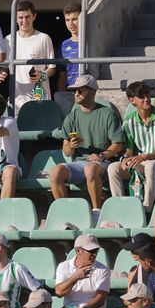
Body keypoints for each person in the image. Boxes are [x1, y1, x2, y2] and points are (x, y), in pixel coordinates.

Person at [50, 74, 126, 208]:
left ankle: (96, 210)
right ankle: (63, 213)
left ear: (92, 91)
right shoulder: (71, 117)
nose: (76, 94)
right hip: (80, 164)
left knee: (91, 169)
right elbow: (66, 152)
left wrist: (101, 155)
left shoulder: (107, 113)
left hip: (104, 163)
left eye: (80, 90)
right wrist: (72, 146)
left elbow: (118, 145)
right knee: (56, 171)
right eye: (74, 91)